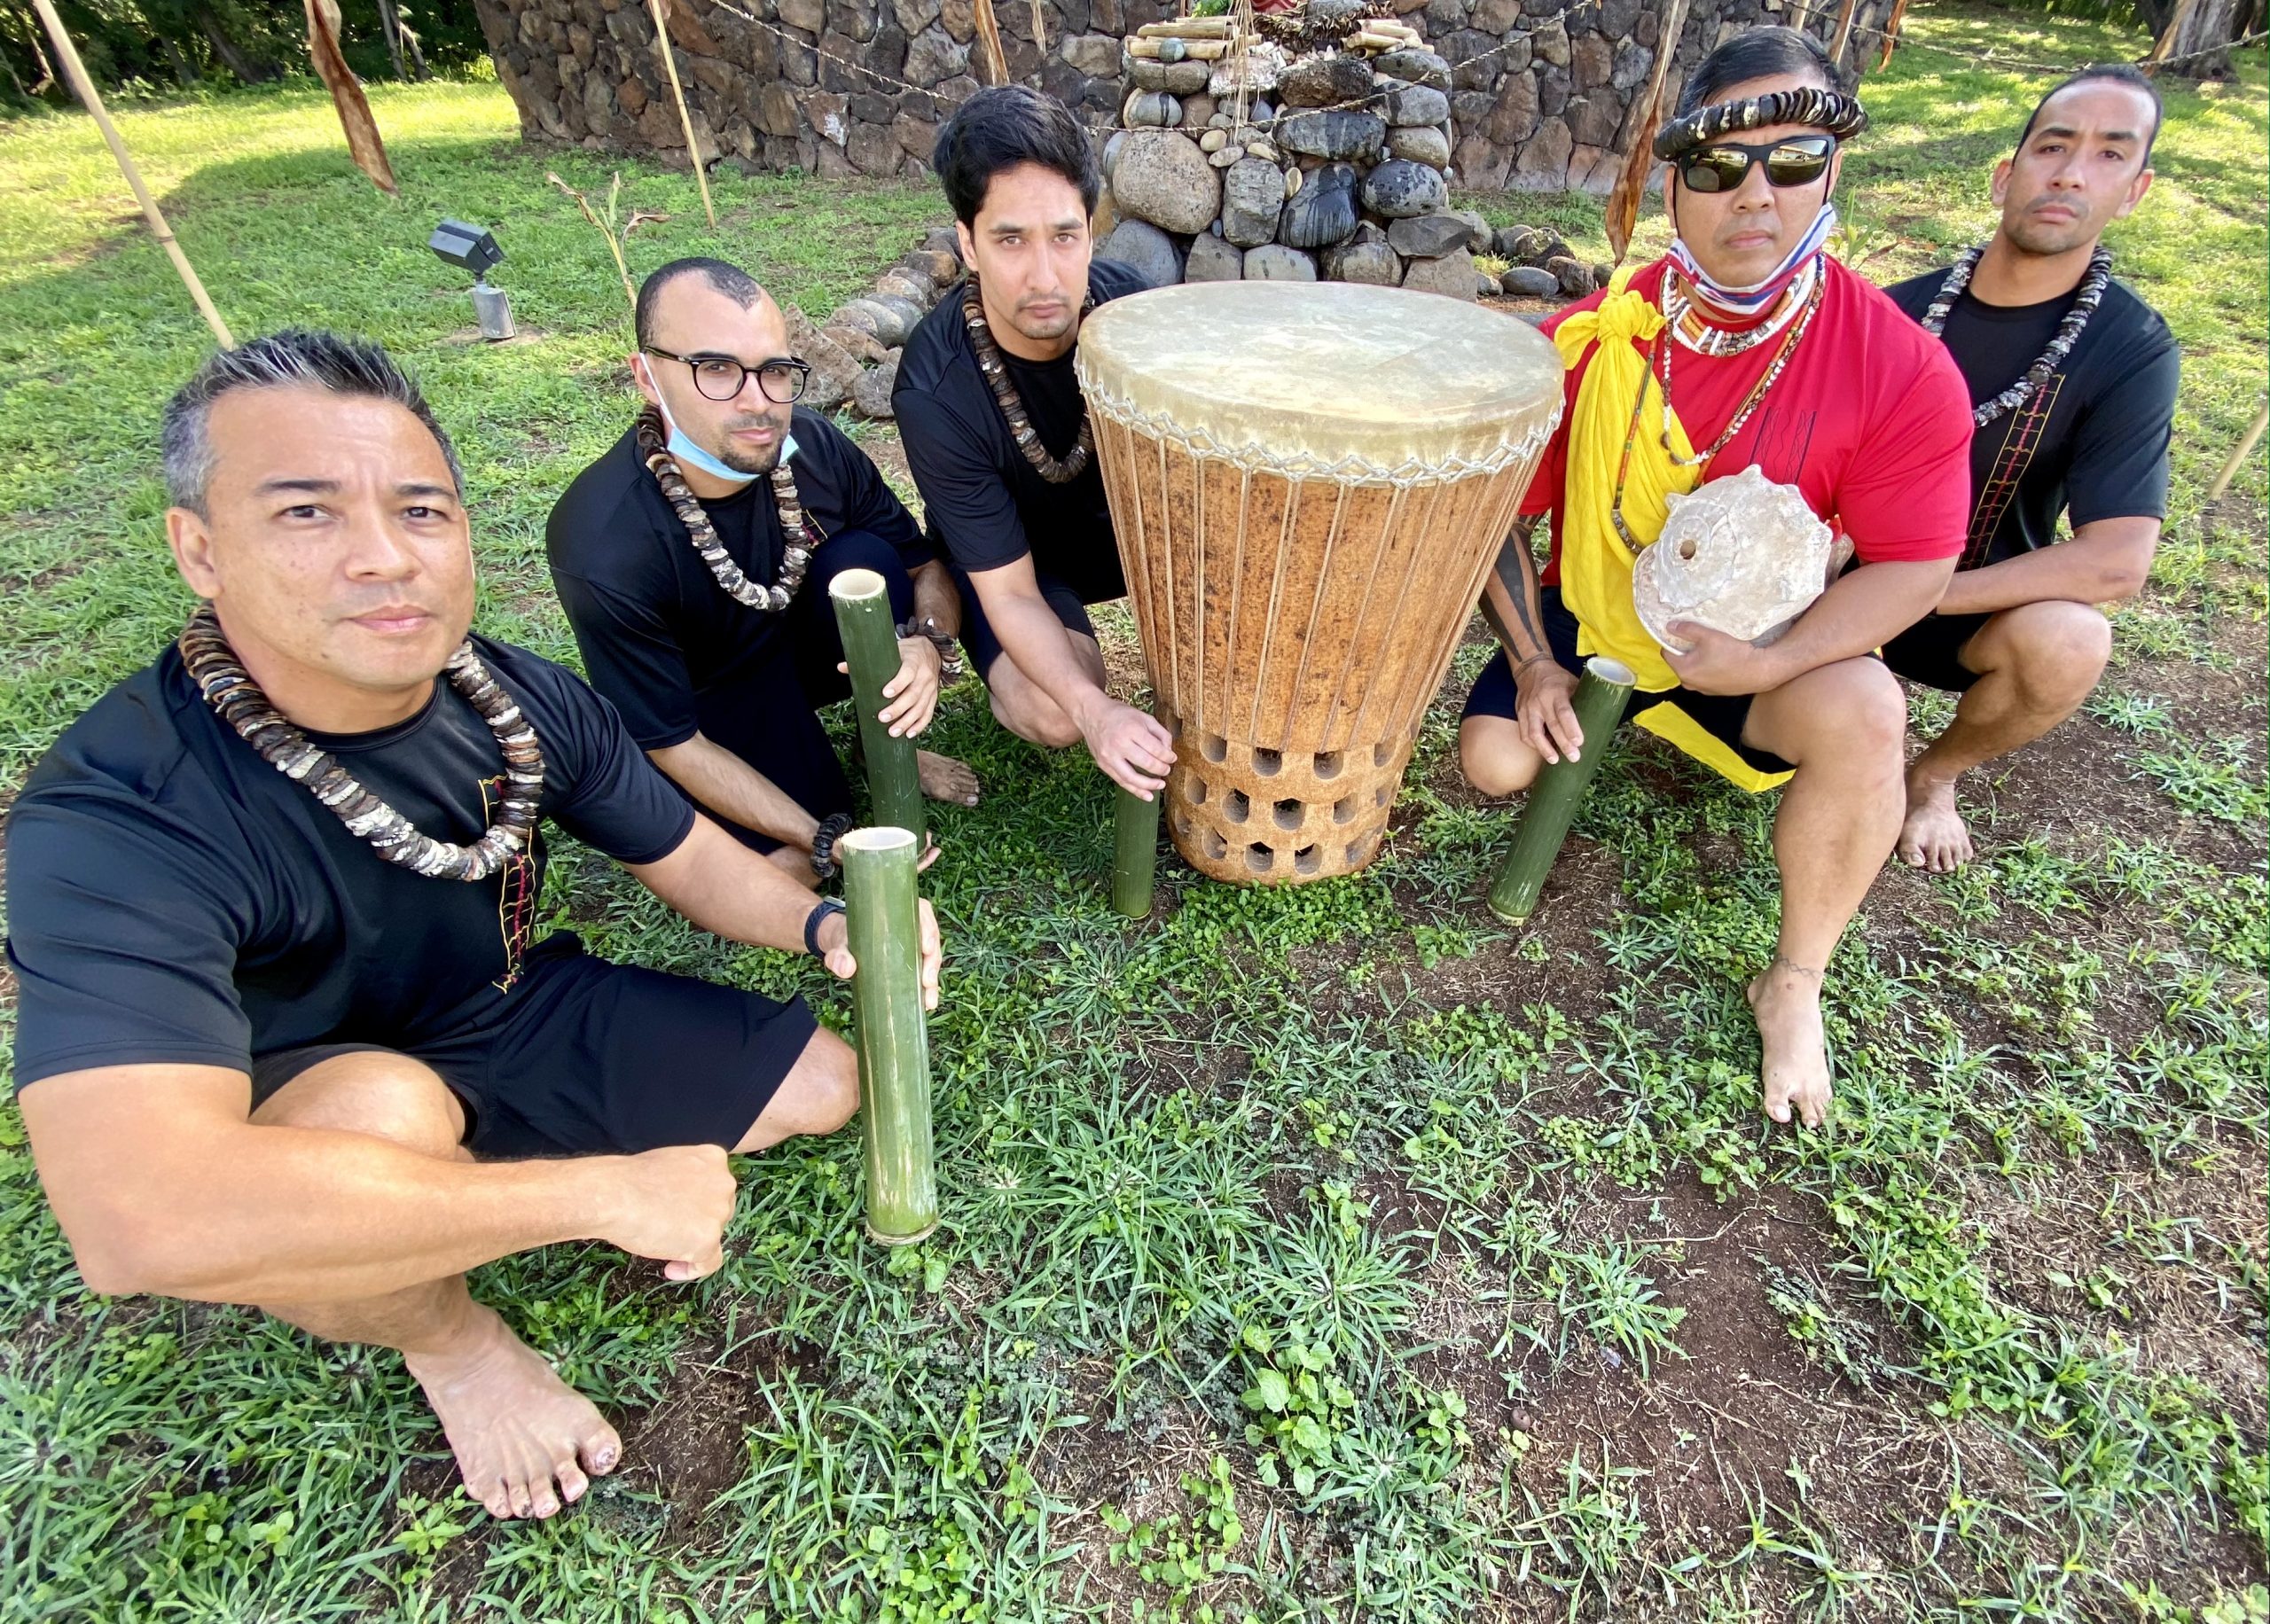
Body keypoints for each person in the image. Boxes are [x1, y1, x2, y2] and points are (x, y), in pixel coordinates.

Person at [8, 332, 943, 1524]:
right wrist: (601, 1196)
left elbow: (694, 860)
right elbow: (138, 1218)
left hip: (505, 1003)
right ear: (200, 548)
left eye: (421, 510)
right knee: (386, 1121)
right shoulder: (119, 809)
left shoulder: (511, 696)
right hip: (311, 1080)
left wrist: (824, 925)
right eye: (306, 514)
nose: (384, 558)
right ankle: (453, 1342)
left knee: (820, 1087)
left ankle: (419, 1194)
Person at [1457, 27, 1974, 1129]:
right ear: (1674, 185)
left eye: (1790, 161)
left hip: (1754, 641)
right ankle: (1580, 701)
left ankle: (1792, 981)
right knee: (1494, 761)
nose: (1753, 193)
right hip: (1589, 613)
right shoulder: (1599, 337)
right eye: (1717, 166)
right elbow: (1492, 507)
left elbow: (1919, 564)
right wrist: (1537, 661)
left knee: (1868, 707)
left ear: (1831, 171)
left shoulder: (1895, 365)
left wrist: (1777, 656)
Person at [548, 258, 977, 887]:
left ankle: (880, 742)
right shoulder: (603, 540)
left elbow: (922, 563)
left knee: (864, 560)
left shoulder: (815, 447)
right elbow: (671, 743)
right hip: (717, 693)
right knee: (792, 865)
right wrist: (824, 837)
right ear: (648, 376)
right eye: (716, 369)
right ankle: (810, 784)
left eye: (775, 370)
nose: (758, 402)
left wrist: (929, 646)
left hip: (812, 649)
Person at [1883, 66, 2177, 871]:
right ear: (2005, 175)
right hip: (1841, 586)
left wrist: (1931, 592)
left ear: (2136, 189)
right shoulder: (1895, 309)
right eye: (2054, 146)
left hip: (1973, 606)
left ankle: (1934, 776)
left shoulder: (2130, 348)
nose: (2073, 172)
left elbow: (2117, 561)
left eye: (2110, 156)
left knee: (2071, 641)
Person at [893, 85, 1176, 801]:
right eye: (1010, 239)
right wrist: (1097, 711)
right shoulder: (935, 389)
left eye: (1065, 236)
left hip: (1137, 542)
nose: (1045, 276)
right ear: (968, 241)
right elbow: (1012, 593)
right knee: (1052, 708)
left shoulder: (1138, 318)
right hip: (1018, 564)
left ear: (1092, 227)